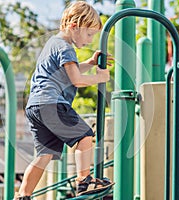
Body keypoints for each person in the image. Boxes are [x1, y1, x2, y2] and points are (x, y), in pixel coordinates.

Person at [14, 1, 114, 199]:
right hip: (51, 103)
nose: (89, 40)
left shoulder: (53, 44)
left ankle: (22, 195)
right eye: (89, 34)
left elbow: (68, 73)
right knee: (85, 137)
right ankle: (84, 181)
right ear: (74, 26)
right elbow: (76, 80)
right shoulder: (66, 48)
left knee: (44, 155)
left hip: (36, 107)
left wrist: (90, 63)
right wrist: (99, 78)